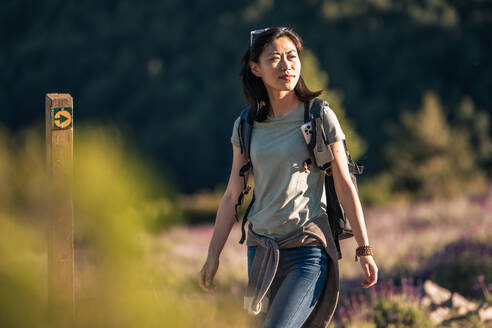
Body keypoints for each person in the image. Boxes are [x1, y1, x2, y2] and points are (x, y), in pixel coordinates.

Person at [199, 26, 378, 328]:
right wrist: (213, 255)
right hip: (261, 252)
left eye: (292, 57)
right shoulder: (246, 125)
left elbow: (345, 184)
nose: (287, 66)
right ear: (255, 68)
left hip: (307, 250)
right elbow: (232, 195)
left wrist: (364, 249)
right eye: (275, 59)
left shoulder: (319, 116)